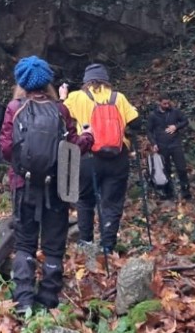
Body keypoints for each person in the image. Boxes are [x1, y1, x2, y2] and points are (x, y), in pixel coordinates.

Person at [0, 57, 93, 314]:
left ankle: (23, 301)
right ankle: (49, 297)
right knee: (53, 244)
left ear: (21, 81)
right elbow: (73, 147)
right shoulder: (60, 110)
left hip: (23, 185)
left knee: (25, 243)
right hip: (56, 188)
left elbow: (7, 149)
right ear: (47, 81)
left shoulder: (14, 107)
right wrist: (89, 137)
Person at [60, 63, 142, 254]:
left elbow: (61, 117)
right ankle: (107, 246)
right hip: (117, 157)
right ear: (106, 80)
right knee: (112, 203)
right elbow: (136, 123)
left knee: (85, 199)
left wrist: (63, 98)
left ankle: (86, 242)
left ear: (86, 81)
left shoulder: (77, 97)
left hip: (88, 156)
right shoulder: (118, 98)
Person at [147, 94, 192, 200]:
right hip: (162, 146)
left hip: (175, 144)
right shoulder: (153, 115)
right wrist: (154, 143)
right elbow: (149, 130)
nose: (167, 105)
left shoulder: (175, 112)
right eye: (164, 103)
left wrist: (176, 126)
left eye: (168, 103)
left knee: (181, 168)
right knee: (166, 170)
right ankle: (169, 193)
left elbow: (185, 121)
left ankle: (186, 192)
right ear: (159, 102)